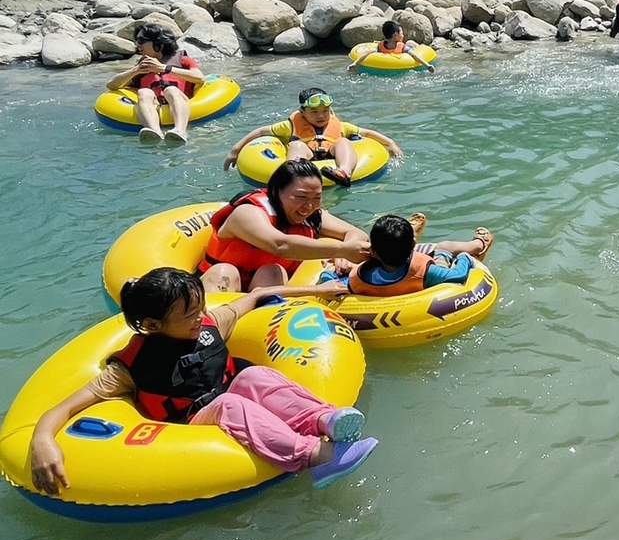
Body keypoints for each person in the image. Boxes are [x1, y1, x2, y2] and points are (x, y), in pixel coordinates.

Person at [27, 268, 379, 497]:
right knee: (231, 403)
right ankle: (316, 456)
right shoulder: (129, 366)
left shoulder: (209, 325)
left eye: (200, 309)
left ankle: (324, 420)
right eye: (188, 315)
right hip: (189, 428)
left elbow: (255, 297)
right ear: (152, 325)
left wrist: (319, 289)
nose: (200, 318)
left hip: (228, 398)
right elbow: (69, 405)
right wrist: (43, 438)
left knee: (253, 376)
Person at [200, 159, 372, 293]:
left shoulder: (313, 216)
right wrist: (340, 249)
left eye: (316, 198)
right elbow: (280, 245)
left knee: (273, 271)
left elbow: (355, 233)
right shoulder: (247, 213)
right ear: (276, 192)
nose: (309, 206)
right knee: (225, 271)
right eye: (301, 197)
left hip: (266, 288)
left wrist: (345, 255)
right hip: (224, 284)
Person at [223, 87, 403, 187]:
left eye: (325, 111)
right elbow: (262, 132)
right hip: (305, 157)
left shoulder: (339, 126)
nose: (321, 116)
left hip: (332, 158)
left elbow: (367, 133)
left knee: (342, 141)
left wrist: (391, 143)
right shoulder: (290, 125)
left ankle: (344, 172)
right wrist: (235, 150)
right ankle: (293, 175)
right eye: (315, 112)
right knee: (298, 146)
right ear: (302, 112)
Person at [321, 214, 495, 295]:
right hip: (418, 270)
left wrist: (330, 270)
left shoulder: (359, 278)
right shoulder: (427, 273)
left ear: (372, 251)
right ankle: (478, 245)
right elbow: (458, 275)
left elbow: (329, 282)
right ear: (413, 245)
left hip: (385, 264)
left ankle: (405, 233)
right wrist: (464, 258)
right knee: (443, 248)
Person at [105, 23, 205, 144]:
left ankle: (180, 131)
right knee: (144, 92)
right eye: (136, 41)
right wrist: (135, 70)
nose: (138, 45)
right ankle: (154, 131)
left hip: (178, 99)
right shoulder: (143, 67)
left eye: (141, 41)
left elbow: (199, 77)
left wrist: (164, 68)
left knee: (171, 90)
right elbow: (112, 85)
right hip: (154, 104)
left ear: (159, 44)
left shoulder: (182, 60)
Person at [348, 21, 435, 74]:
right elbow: (368, 53)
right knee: (409, 43)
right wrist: (355, 63)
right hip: (398, 59)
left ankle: (416, 45)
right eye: (401, 33)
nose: (403, 35)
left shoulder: (401, 46)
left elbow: (414, 55)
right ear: (395, 35)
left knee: (410, 43)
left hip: (407, 52)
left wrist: (427, 65)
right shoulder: (381, 46)